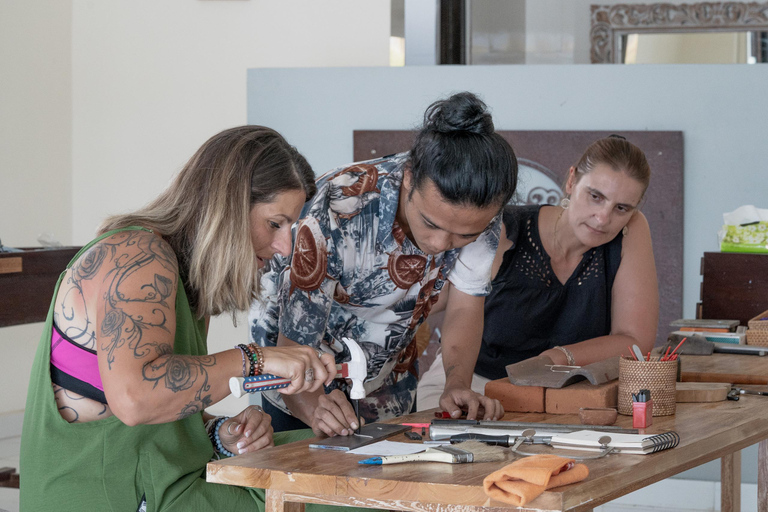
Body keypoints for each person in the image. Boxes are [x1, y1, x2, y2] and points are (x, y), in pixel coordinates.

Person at [20, 126, 342, 511]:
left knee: (331, 463)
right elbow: (137, 399)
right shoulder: (137, 255)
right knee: (342, 492)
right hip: (108, 493)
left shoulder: (183, 277)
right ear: (227, 206)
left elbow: (169, 412)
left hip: (160, 481)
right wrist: (254, 358)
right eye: (275, 223)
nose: (284, 246)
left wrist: (223, 432)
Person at [249, 92, 517, 436]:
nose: (439, 245)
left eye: (463, 236)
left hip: (388, 377)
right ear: (408, 178)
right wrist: (316, 411)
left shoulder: (483, 212)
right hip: (296, 376)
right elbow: (293, 347)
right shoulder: (334, 214)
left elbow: (465, 308)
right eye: (431, 224)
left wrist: (457, 385)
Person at [417, 135, 659, 408]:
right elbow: (436, 302)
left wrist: (555, 359)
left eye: (622, 208)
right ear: (571, 181)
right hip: (472, 382)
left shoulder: (630, 230)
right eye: (595, 196)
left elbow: (635, 340)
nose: (603, 218)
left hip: (564, 394)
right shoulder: (504, 229)